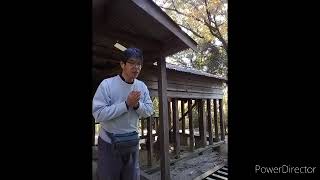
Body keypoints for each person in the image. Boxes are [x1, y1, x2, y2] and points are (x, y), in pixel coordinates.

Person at [92, 47, 154, 180]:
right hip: (109, 143)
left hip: (132, 142)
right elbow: (98, 114)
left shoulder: (141, 86)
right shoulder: (107, 85)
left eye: (139, 64)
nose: (136, 67)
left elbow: (149, 110)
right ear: (122, 64)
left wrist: (137, 105)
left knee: (131, 176)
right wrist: (126, 105)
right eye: (132, 63)